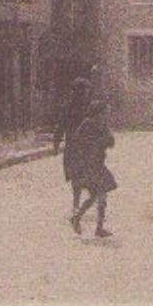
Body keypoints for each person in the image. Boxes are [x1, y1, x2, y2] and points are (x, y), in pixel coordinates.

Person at [68, 99, 117, 238]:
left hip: (98, 164)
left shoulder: (103, 125)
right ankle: (97, 227)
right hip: (88, 165)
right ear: (98, 112)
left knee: (96, 196)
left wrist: (104, 141)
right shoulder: (87, 124)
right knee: (100, 196)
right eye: (105, 111)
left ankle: (80, 219)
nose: (107, 114)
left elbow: (111, 141)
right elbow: (78, 142)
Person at [53, 76, 92, 213]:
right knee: (77, 175)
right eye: (82, 91)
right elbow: (61, 126)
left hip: (84, 147)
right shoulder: (70, 108)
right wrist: (56, 143)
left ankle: (80, 203)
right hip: (76, 146)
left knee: (83, 175)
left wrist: (56, 144)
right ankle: (76, 203)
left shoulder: (90, 108)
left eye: (86, 91)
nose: (84, 93)